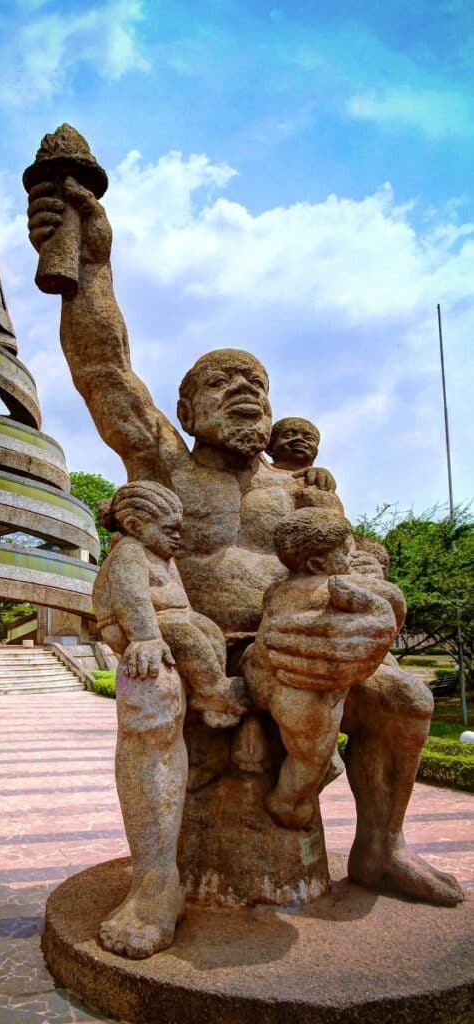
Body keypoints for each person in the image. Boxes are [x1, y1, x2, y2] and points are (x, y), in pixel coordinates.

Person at [27, 169, 463, 958]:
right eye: (222, 385)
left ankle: (380, 847)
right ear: (185, 409)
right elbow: (103, 366)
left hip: (287, 655)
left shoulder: (298, 490)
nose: (245, 395)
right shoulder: (162, 464)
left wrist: (371, 612)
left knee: (400, 696)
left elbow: (357, 564)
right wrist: (90, 265)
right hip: (187, 649)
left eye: (255, 386)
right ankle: (156, 880)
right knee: (148, 692)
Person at [246, 508, 406, 830]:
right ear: (317, 565)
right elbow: (378, 608)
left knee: (312, 757)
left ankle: (307, 780)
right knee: (310, 760)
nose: (352, 559)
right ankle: (287, 802)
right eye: (347, 553)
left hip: (269, 679)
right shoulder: (335, 588)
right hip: (304, 693)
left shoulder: (276, 590)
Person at [94, 481, 246, 728]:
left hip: (174, 618)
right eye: (169, 530)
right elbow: (131, 598)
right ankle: (212, 691)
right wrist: (145, 636)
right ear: (135, 526)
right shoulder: (130, 552)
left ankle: (210, 684)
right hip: (145, 626)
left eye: (179, 530)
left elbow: (179, 596)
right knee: (185, 636)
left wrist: (190, 616)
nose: (177, 537)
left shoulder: (162, 556)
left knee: (209, 632)